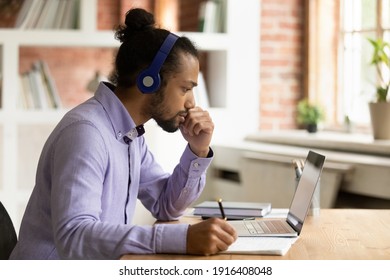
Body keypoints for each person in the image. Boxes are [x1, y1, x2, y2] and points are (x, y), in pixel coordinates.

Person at [10, 8, 237, 260]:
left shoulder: (130, 135)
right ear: (148, 80)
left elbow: (166, 205)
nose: (191, 104)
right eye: (185, 89)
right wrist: (181, 239)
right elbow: (73, 236)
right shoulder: (87, 133)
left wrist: (198, 150)